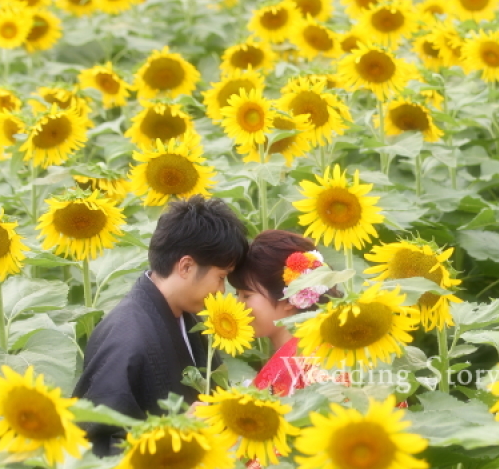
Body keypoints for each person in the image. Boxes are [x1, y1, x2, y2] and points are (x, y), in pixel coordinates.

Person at [75, 195, 249, 455]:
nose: (222, 291)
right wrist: (177, 430)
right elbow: (95, 445)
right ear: (186, 266)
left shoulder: (188, 317)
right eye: (221, 277)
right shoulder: (127, 338)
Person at [229, 229, 334, 397]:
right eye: (237, 295)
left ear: (288, 297)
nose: (237, 305)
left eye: (246, 295)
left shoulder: (306, 364)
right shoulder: (319, 351)